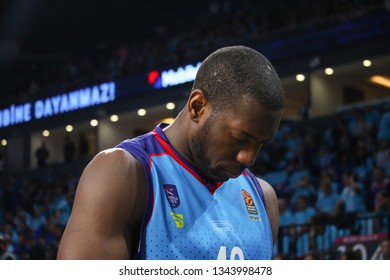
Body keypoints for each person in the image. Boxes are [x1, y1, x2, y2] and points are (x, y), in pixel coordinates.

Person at [57, 45, 285, 260]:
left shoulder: (263, 199)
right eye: (239, 138)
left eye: (261, 143)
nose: (249, 158)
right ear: (197, 107)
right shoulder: (123, 174)